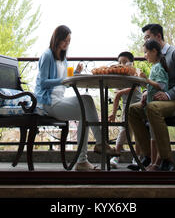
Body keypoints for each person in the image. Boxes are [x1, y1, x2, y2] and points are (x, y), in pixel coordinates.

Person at [34, 25, 118, 171]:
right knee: (84, 109)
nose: (67, 44)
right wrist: (65, 79)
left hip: (59, 98)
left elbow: (65, 84)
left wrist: (74, 76)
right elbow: (43, 83)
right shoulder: (47, 55)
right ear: (57, 39)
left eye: (69, 41)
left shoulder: (63, 58)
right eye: (64, 40)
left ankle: (88, 155)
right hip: (48, 102)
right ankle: (89, 154)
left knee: (87, 100)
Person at [128, 23, 175, 172]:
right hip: (163, 98)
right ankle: (148, 157)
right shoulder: (156, 60)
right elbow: (160, 82)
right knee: (132, 110)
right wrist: (148, 92)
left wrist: (168, 94)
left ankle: (167, 161)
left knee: (153, 108)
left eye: (148, 38)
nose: (145, 42)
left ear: (158, 37)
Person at [107, 51, 143, 169]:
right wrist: (112, 113)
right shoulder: (120, 78)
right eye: (119, 62)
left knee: (138, 133)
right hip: (126, 109)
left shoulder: (135, 72)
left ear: (131, 63)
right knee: (124, 131)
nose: (121, 64)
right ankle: (116, 156)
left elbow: (136, 86)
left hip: (138, 107)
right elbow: (117, 96)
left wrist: (122, 91)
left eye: (124, 62)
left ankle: (137, 157)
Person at [139, 39, 169, 171]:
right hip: (151, 104)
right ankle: (152, 162)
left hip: (157, 105)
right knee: (152, 134)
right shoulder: (156, 67)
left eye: (146, 52)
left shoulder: (158, 67)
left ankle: (156, 163)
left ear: (154, 51)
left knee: (154, 135)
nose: (145, 55)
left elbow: (162, 85)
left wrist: (146, 80)